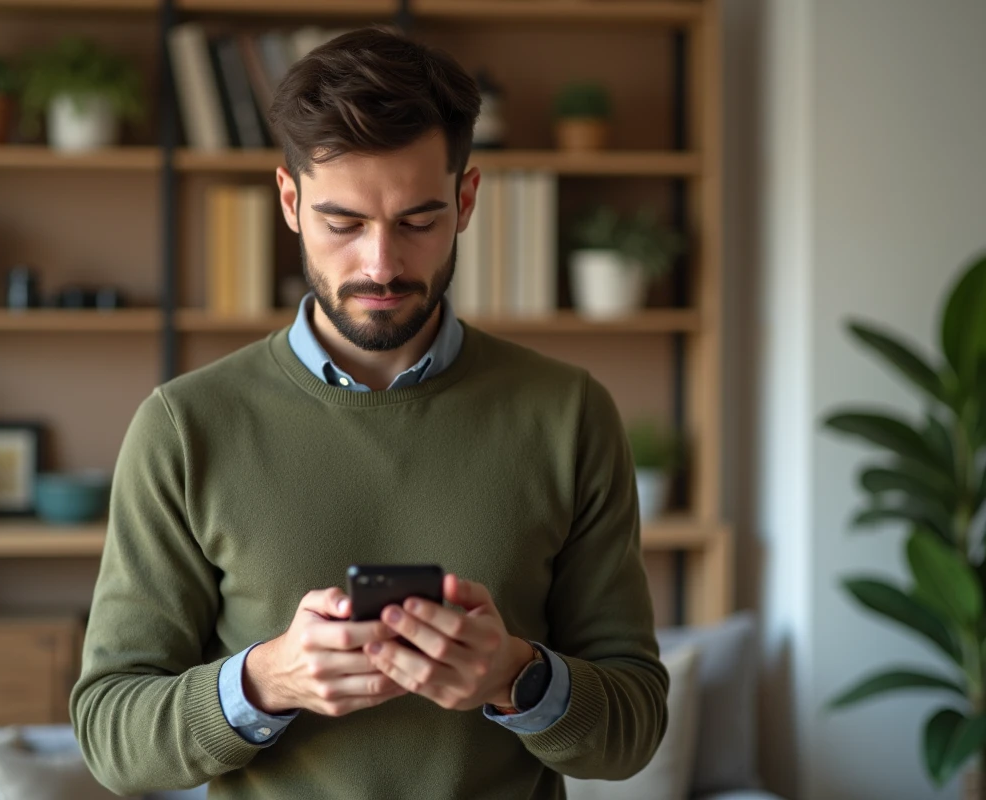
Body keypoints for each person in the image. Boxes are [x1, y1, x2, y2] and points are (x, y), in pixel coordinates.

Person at [70, 25, 668, 800]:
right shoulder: (184, 428)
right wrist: (265, 681)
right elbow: (110, 739)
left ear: (466, 199)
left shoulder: (569, 415)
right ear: (290, 202)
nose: (381, 264)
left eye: (417, 221)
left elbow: (633, 731)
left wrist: (515, 676)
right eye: (343, 223)